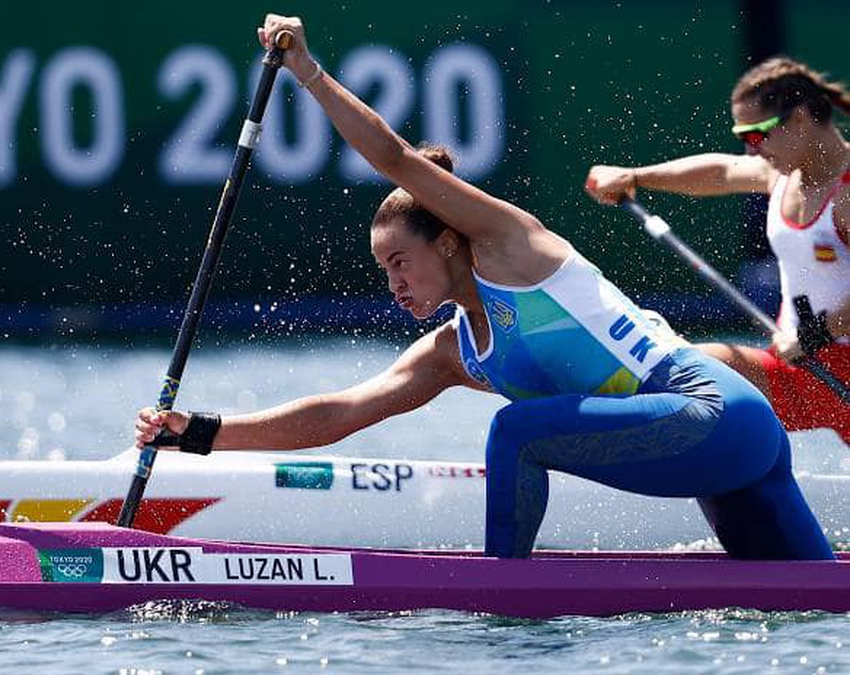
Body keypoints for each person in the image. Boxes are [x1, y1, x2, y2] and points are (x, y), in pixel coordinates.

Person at [135, 15, 834, 561]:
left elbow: (393, 156)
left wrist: (308, 71)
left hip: (715, 412)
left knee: (515, 429)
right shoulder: (452, 351)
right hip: (712, 452)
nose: (394, 283)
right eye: (383, 272)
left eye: (400, 262)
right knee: (811, 599)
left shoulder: (513, 248)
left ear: (446, 240)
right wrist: (199, 434)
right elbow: (341, 412)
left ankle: (506, 599)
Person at [585, 56, 850, 443]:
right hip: (804, 369)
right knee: (687, 370)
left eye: (756, 135)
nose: (751, 151)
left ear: (798, 118)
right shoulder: (780, 176)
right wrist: (636, 177)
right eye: (743, 137)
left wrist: (811, 335)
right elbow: (721, 172)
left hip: (829, 364)